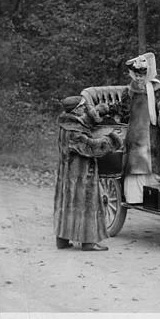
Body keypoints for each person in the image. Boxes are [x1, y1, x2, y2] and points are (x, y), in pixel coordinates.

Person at [53, 95, 123, 252]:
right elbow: (90, 147)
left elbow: (83, 124)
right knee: (86, 205)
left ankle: (62, 239)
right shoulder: (74, 131)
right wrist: (112, 139)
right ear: (77, 109)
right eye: (83, 106)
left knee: (67, 205)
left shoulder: (67, 124)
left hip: (68, 173)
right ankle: (89, 242)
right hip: (81, 174)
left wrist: (96, 115)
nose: (86, 108)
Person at [123, 52, 160, 203]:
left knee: (152, 159)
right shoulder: (131, 90)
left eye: (142, 75)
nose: (140, 78)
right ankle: (135, 196)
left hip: (152, 130)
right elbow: (124, 108)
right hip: (136, 131)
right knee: (137, 162)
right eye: (137, 75)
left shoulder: (156, 88)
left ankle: (152, 194)